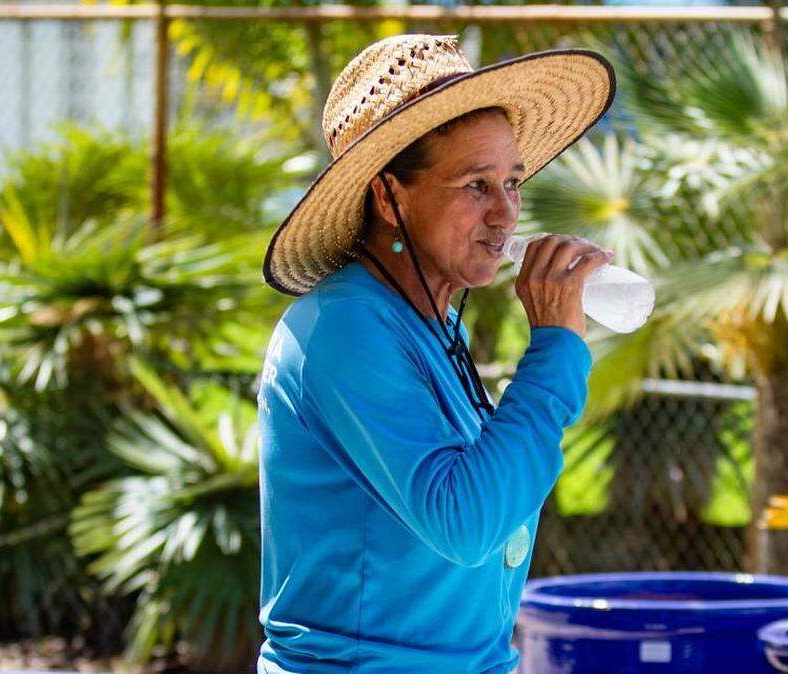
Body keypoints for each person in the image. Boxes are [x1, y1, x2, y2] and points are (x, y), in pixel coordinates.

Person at [257, 33, 615, 673]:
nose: (506, 215)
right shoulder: (344, 328)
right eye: (475, 186)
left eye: (512, 181)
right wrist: (556, 349)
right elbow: (466, 523)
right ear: (388, 198)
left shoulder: (425, 321)